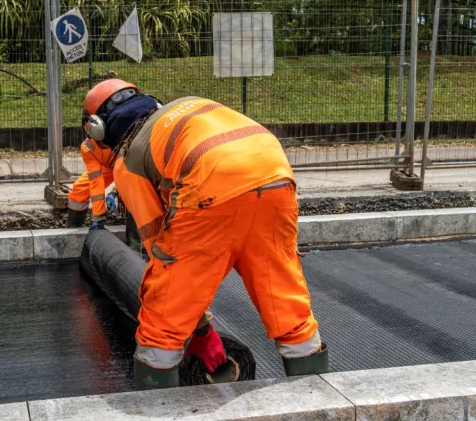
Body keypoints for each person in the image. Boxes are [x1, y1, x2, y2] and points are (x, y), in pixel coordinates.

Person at [82, 83, 328, 390]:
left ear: (99, 129)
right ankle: (319, 400)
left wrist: (201, 331)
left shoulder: (129, 160)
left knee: (162, 321)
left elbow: (159, 248)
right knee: (286, 303)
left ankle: (157, 409)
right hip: (276, 178)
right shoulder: (188, 105)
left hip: (212, 192)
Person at [66, 79, 147, 239]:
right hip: (110, 166)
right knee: (78, 192)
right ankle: (70, 234)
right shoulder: (89, 147)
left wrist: (115, 192)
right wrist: (99, 216)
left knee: (133, 195)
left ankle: (136, 244)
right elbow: (95, 181)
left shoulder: (129, 136)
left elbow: (129, 171)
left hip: (128, 168)